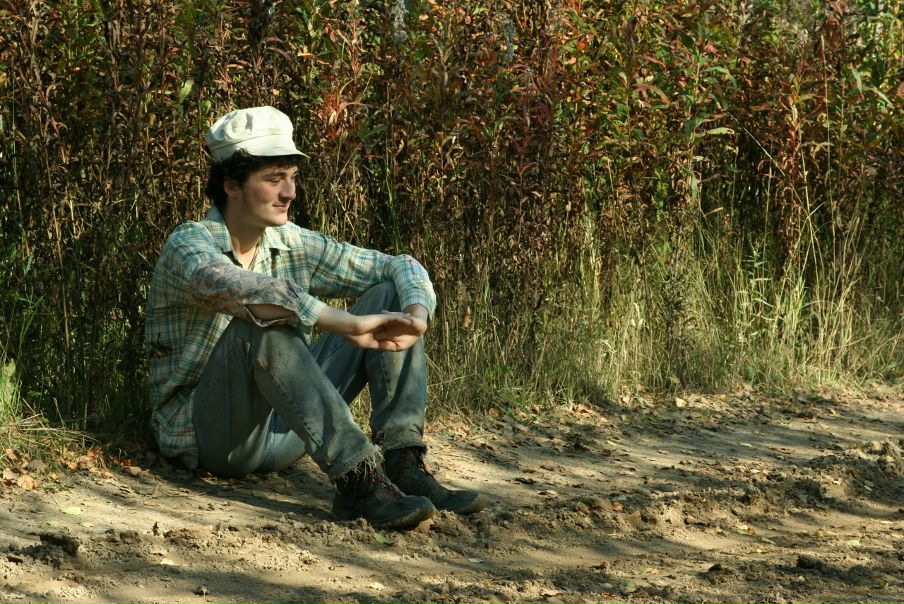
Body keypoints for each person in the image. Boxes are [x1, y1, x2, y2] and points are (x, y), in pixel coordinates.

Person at [145, 106, 487, 530]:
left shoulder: (293, 242)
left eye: (292, 177)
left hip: (287, 428)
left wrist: (416, 312)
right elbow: (239, 287)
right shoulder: (188, 243)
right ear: (231, 185)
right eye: (274, 179)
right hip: (211, 439)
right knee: (262, 322)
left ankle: (403, 464)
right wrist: (340, 322)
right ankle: (359, 480)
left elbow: (399, 265)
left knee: (389, 292)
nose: (290, 192)